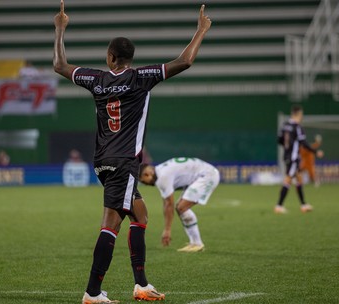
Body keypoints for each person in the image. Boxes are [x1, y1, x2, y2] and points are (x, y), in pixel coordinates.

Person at [53, 1, 211, 303]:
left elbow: (60, 66)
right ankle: (92, 292)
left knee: (140, 214)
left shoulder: (96, 79)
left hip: (102, 162)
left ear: (110, 58)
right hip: (124, 162)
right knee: (110, 224)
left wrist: (60, 29)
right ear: (128, 58)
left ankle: (140, 284)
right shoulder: (141, 77)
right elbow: (185, 61)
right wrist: (200, 30)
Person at [139, 157, 220, 253]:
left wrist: (167, 230)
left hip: (208, 175)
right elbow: (166, 203)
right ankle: (194, 243)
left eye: (144, 181)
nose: (146, 184)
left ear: (147, 174)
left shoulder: (163, 177)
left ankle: (197, 243)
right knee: (180, 207)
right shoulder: (161, 170)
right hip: (206, 172)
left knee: (181, 207)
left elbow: (169, 204)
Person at [275, 105, 324, 214]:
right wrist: (315, 151)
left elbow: (279, 140)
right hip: (293, 157)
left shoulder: (284, 125)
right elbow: (304, 143)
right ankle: (279, 205)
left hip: (287, 155)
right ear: (298, 114)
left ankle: (303, 205)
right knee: (288, 179)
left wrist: (287, 147)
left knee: (299, 179)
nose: (302, 117)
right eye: (301, 114)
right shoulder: (297, 127)